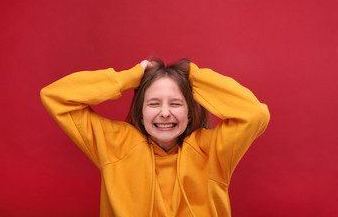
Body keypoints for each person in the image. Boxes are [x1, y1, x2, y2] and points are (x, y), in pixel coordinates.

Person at [40, 58, 270, 217]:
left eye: (176, 103)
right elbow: (56, 97)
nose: (165, 112)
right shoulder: (116, 143)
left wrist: (194, 76)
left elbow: (255, 114)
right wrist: (128, 78)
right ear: (140, 112)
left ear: (189, 113)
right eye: (153, 103)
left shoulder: (212, 151)